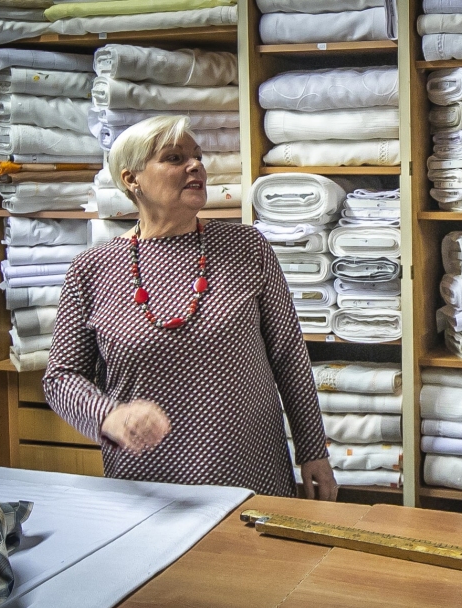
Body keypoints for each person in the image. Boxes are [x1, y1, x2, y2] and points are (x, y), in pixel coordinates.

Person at [43, 115, 336, 500]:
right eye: (174, 157)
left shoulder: (247, 248)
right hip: (148, 480)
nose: (195, 165)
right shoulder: (92, 270)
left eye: (197, 156)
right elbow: (60, 377)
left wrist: (313, 451)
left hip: (251, 469)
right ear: (132, 180)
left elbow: (289, 356)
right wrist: (108, 416)